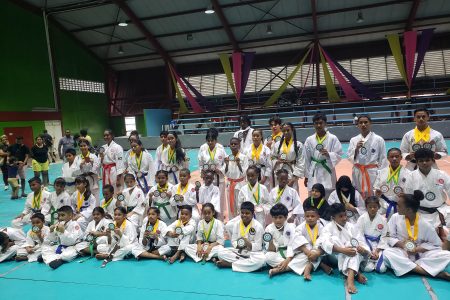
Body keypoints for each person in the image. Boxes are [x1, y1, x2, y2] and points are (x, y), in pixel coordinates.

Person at [382, 191, 450, 280]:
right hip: (401, 251)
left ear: (408, 210)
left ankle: (409, 267)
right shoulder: (395, 217)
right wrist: (403, 245)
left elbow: (436, 244)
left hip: (421, 254)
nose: (396, 207)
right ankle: (428, 272)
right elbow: (388, 236)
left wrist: (418, 249)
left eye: (399, 205)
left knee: (447, 255)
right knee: (388, 253)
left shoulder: (425, 224)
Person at [319, 203, 370, 294]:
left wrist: (362, 249)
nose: (344, 218)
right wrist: (343, 250)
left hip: (351, 255)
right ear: (333, 217)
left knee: (353, 248)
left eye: (345, 215)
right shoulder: (328, 228)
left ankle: (350, 278)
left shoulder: (351, 226)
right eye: (340, 216)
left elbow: (360, 241)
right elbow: (325, 244)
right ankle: (356, 274)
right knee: (335, 240)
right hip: (335, 257)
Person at [404, 148, 450, 232]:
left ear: (432, 161)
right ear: (417, 162)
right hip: (421, 212)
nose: (424, 163)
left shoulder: (442, 175)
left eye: (427, 160)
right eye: (421, 161)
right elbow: (409, 197)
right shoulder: (411, 176)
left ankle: (441, 231)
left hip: (441, 210)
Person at [216, 201, 265, 272]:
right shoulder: (237, 224)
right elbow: (233, 241)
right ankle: (245, 263)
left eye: (247, 213)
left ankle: (231, 264)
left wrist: (249, 244)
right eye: (242, 213)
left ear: (252, 214)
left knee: (261, 260)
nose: (244, 215)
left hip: (252, 253)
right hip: (239, 251)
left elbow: (259, 246)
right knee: (220, 252)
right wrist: (238, 246)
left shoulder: (258, 226)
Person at [303, 113, 343, 198]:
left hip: (327, 170)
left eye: (321, 123)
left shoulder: (333, 138)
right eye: (316, 123)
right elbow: (306, 159)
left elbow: (339, 154)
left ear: (325, 123)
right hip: (314, 170)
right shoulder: (309, 139)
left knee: (329, 194)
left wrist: (329, 155)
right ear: (313, 125)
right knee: (314, 192)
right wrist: (306, 176)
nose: (318, 125)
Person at [347, 115, 387, 198]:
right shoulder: (353, 140)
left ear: (370, 123)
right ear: (357, 125)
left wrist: (381, 175)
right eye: (360, 123)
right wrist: (356, 149)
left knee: (372, 192)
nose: (363, 124)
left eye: (366, 122)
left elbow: (383, 159)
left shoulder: (378, 139)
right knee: (358, 193)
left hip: (372, 172)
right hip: (358, 171)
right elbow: (349, 158)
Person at [373, 148, 410, 219]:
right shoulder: (381, 172)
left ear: (401, 157)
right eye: (392, 157)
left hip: (400, 203)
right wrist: (376, 193)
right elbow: (375, 188)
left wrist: (405, 195)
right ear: (388, 158)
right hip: (383, 203)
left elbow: (411, 191)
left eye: (397, 156)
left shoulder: (408, 173)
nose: (394, 159)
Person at [197, 128, 226, 219]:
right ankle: (206, 218)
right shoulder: (203, 148)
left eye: (212, 140)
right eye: (208, 140)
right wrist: (202, 171)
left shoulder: (220, 148)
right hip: (208, 178)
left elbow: (225, 162)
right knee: (207, 198)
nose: (210, 142)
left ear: (216, 140)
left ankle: (219, 219)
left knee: (219, 200)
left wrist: (220, 170)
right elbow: (200, 163)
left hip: (218, 178)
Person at [263, 203, 297, 278]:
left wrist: (287, 260)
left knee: (302, 256)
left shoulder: (292, 227)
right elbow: (271, 250)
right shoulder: (269, 229)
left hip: (291, 255)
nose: (277, 220)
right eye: (275, 217)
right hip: (278, 254)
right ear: (272, 217)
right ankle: (290, 267)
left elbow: (293, 245)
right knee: (268, 257)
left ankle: (281, 269)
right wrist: (270, 241)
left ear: (285, 217)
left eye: (280, 217)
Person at [355, 196, 388, 273]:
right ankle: (368, 261)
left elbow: (385, 236)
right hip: (366, 245)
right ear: (366, 207)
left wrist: (377, 251)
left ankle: (376, 260)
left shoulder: (383, 220)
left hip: (378, 245)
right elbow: (359, 235)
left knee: (381, 269)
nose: (372, 209)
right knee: (368, 269)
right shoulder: (362, 218)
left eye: (375, 207)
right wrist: (368, 251)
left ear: (378, 207)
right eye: (370, 207)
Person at [271, 123, 304, 193]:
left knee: (292, 194)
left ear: (292, 130)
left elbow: (301, 162)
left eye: (288, 130)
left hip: (292, 172)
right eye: (284, 131)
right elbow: (272, 157)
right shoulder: (277, 145)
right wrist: (277, 161)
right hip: (280, 172)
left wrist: (294, 179)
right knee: (279, 193)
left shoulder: (298, 145)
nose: (286, 133)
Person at [221, 137, 249, 219]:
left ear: (239, 145)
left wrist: (239, 163)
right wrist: (226, 164)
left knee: (240, 204)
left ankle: (241, 220)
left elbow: (245, 172)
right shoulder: (227, 157)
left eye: (235, 144)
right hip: (230, 184)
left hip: (240, 184)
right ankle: (232, 221)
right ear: (229, 146)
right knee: (231, 204)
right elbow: (225, 172)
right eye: (232, 144)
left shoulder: (243, 157)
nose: (233, 145)